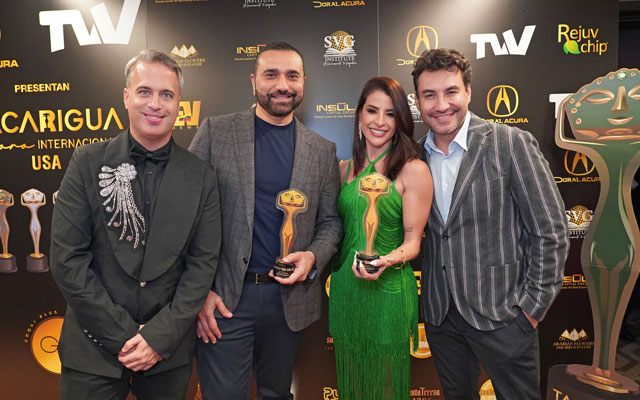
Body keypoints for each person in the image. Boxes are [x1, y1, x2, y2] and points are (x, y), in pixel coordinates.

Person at [50, 49, 221, 400]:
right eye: (144, 91)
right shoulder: (86, 162)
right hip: (92, 349)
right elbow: (67, 260)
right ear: (126, 97)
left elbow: (202, 265)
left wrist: (157, 338)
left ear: (179, 105)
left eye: (166, 95)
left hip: (167, 353)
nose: (155, 104)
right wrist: (125, 336)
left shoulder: (201, 176)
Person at [412, 48, 569, 400]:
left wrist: (531, 308)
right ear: (418, 101)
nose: (441, 105)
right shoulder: (414, 155)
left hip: (505, 314)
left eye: (451, 91)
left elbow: (551, 231)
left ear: (468, 91)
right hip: (441, 315)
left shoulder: (510, 143)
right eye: (429, 95)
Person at [189, 41, 342, 400]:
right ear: (253, 81)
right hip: (225, 299)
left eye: (292, 76)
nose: (282, 85)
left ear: (303, 81)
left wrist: (313, 257)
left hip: (288, 302)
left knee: (277, 394)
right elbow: (186, 216)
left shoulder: (322, 151)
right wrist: (199, 292)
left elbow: (331, 223)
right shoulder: (215, 133)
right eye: (271, 75)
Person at [328, 77, 432, 399]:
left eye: (390, 114)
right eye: (372, 111)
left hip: (388, 292)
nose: (379, 121)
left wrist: (385, 260)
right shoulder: (342, 170)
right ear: (359, 115)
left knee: (386, 385)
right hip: (347, 291)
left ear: (400, 120)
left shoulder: (412, 169)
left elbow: (414, 241)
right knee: (353, 381)